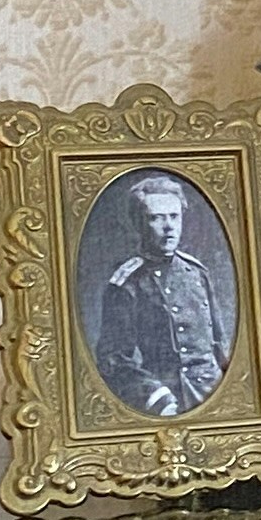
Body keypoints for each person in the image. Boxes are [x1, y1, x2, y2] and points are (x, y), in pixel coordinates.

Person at [92, 173, 232, 417]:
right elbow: (113, 360)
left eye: (174, 217)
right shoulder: (126, 284)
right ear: (139, 223)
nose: (169, 227)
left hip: (214, 391)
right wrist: (156, 398)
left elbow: (220, 344)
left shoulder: (196, 272)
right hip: (169, 400)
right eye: (156, 218)